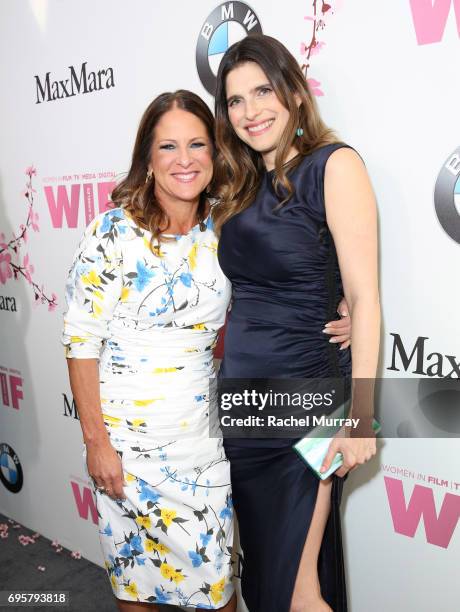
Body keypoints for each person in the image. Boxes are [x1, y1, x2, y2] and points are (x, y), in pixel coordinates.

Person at [213, 35, 380, 612]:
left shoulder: (334, 166)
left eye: (262, 91)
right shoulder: (237, 185)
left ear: (292, 92)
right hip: (242, 407)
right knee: (265, 581)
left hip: (305, 403)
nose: (250, 111)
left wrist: (359, 416)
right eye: (235, 101)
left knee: (296, 592)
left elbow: (366, 296)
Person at [62, 90, 237, 611]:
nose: (184, 160)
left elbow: (278, 288)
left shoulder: (227, 227)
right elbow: (80, 339)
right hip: (126, 451)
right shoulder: (112, 232)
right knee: (137, 590)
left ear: (215, 152)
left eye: (197, 144)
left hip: (201, 445)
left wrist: (340, 306)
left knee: (219, 592)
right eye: (168, 147)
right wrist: (97, 443)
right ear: (147, 157)